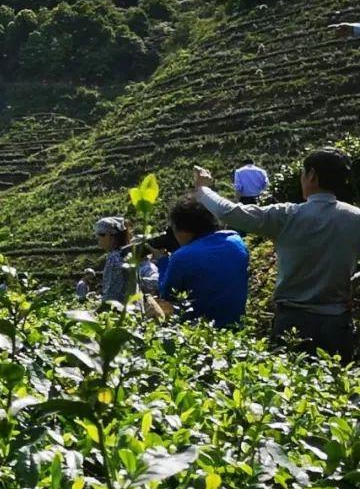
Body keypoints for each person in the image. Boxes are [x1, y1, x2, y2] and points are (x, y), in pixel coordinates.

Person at [194, 148, 360, 362]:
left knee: (289, 388)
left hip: (293, 321)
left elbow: (230, 213)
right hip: (337, 323)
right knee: (338, 389)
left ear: (312, 176)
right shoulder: (355, 219)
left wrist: (202, 190)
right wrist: (353, 283)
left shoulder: (288, 216)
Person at [152, 197, 249, 327]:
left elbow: (168, 295)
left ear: (184, 230)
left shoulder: (181, 257)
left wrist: (163, 262)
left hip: (201, 331)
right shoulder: (236, 241)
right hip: (237, 326)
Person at [94, 217, 131, 304]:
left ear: (108, 235)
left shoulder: (114, 258)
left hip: (121, 311)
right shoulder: (126, 254)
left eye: (99, 238)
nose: (99, 243)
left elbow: (111, 295)